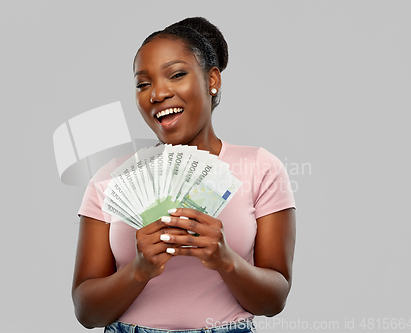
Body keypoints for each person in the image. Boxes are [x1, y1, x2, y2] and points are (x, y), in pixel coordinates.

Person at [72, 17, 296, 332]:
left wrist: (225, 260)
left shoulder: (261, 167)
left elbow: (274, 301)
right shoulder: (110, 178)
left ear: (212, 80)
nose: (157, 93)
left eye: (176, 75)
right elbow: (86, 312)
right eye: (143, 83)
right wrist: (139, 270)